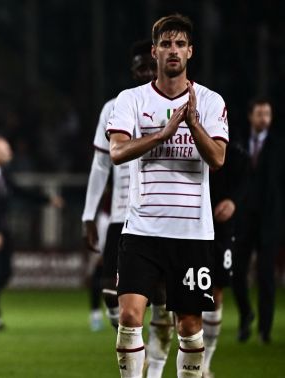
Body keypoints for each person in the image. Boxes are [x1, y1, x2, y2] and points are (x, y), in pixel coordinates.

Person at [106, 14, 228, 377]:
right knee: (129, 316)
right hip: (141, 228)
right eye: (165, 44)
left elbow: (218, 158)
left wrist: (192, 123)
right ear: (155, 51)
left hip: (191, 232)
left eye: (179, 44)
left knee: (189, 326)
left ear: (190, 51)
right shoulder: (130, 99)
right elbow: (116, 152)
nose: (172, 50)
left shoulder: (209, 101)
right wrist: (162, 133)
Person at [82, 39, 174, 377]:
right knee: (111, 296)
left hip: (159, 216)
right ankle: (142, 349)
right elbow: (100, 164)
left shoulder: (174, 105)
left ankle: (155, 368)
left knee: (162, 300)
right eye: (141, 67)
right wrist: (88, 213)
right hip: (121, 215)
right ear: (133, 70)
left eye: (150, 66)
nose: (146, 72)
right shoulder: (115, 107)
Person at [0, 134, 63, 332]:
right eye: (6, 148)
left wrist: (48, 200)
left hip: (3, 232)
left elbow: (20, 192)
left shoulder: (3, 173)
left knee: (4, 274)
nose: (10, 152)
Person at [232, 98, 285, 344]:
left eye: (268, 114)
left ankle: (265, 330)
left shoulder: (279, 146)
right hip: (242, 221)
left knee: (266, 276)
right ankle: (246, 317)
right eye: (260, 114)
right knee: (237, 274)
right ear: (251, 116)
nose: (264, 118)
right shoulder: (238, 143)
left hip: (270, 223)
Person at [202, 142, 249, 377]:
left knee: (216, 293)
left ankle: (206, 363)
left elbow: (248, 180)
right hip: (191, 228)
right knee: (183, 298)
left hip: (221, 231)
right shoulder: (188, 143)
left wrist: (233, 201)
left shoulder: (235, 154)